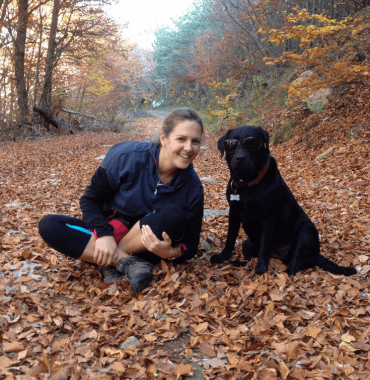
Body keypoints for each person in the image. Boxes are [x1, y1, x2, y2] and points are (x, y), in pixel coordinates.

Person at [38, 108, 204, 293]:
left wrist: (172, 253)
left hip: (149, 246)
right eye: (181, 139)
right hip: (111, 229)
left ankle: (108, 260)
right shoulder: (126, 157)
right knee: (49, 225)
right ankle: (125, 262)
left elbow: (191, 241)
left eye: (195, 141)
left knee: (173, 213)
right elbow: (90, 199)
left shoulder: (193, 188)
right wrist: (103, 235)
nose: (189, 148)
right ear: (164, 138)